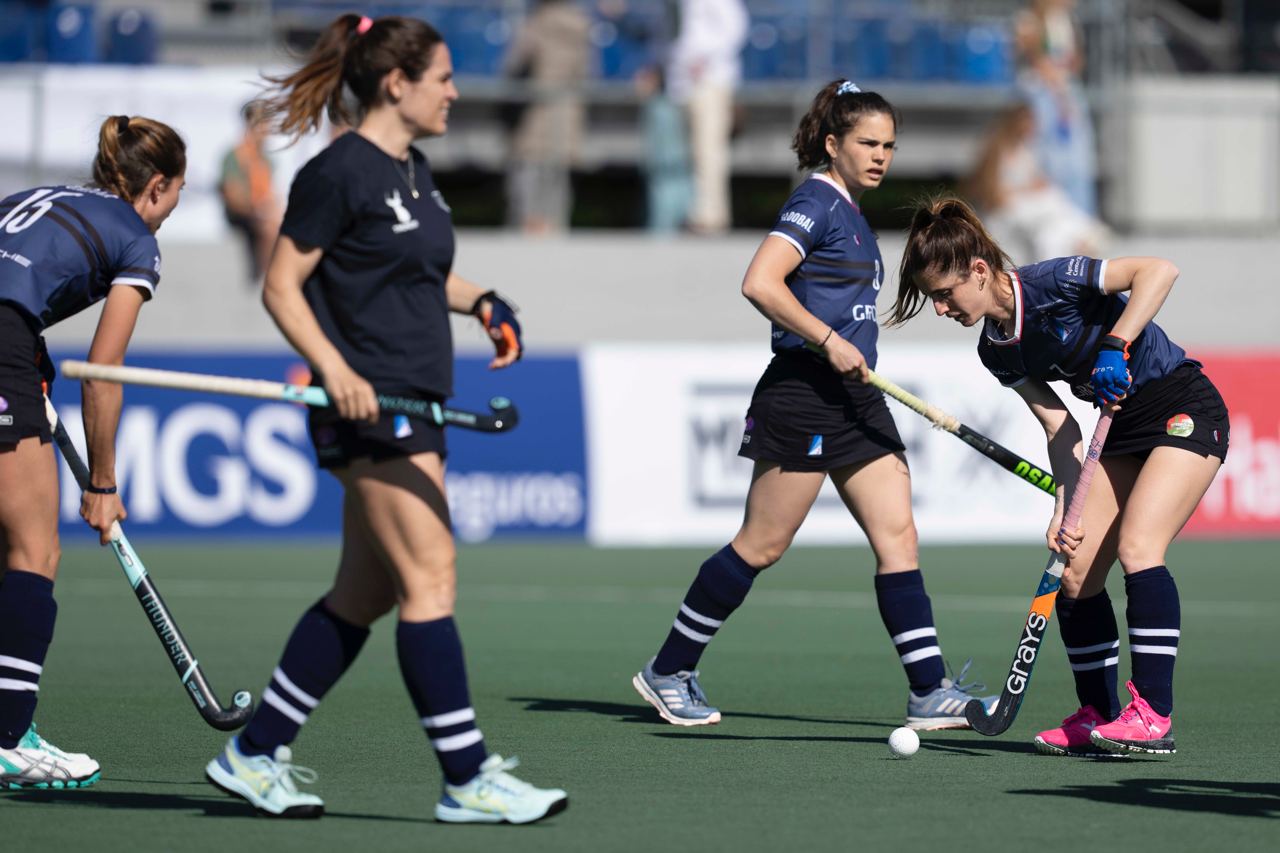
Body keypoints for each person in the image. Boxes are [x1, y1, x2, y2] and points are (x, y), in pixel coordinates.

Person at [201, 14, 567, 824]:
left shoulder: (413, 168)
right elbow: (282, 286)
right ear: (396, 83)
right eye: (442, 77)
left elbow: (419, 269)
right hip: (369, 409)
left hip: (416, 404)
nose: (455, 91)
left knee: (361, 593)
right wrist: (334, 369)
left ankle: (252, 752)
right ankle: (467, 779)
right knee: (431, 577)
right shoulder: (338, 173)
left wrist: (483, 300)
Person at [631, 81, 996, 731]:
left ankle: (928, 689)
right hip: (803, 391)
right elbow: (759, 281)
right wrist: (827, 339)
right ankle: (668, 668)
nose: (881, 155)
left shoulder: (854, 213)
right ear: (833, 144)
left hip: (857, 397)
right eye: (867, 143)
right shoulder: (817, 202)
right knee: (763, 543)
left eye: (889, 145)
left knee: (898, 535)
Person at [889, 196, 1229, 757]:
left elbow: (1158, 271)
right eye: (934, 300)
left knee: (1140, 546)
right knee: (1074, 572)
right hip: (1115, 429)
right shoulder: (997, 351)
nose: (941, 309)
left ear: (978, 270)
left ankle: (1153, 717)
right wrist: (1063, 508)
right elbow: (1058, 428)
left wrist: (1117, 344)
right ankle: (1099, 714)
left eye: (944, 295)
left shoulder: (1057, 280)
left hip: (1180, 405)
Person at [0, 114, 186, 787]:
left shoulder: (34, 197)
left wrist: (33, 355)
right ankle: (9, 737)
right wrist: (102, 483)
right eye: (176, 196)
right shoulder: (136, 237)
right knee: (32, 549)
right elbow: (103, 371)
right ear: (157, 187)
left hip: (11, 337)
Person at [963, 102, 1108, 263]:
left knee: (1052, 217)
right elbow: (991, 190)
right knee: (1053, 199)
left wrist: (1036, 185)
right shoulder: (998, 150)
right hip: (1004, 209)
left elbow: (1032, 180)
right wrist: (1025, 189)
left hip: (1023, 203)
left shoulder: (1024, 149)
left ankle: (1082, 235)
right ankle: (1086, 232)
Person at [502, 0, 590, 235]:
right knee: (558, 181)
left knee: (527, 176)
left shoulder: (536, 23)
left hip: (535, 111)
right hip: (568, 112)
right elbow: (587, 73)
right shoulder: (582, 25)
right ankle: (555, 229)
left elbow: (515, 65)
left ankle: (527, 228)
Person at [667, 0, 749, 234]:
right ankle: (697, 210)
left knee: (709, 149)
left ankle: (711, 215)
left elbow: (736, 26)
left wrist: (704, 58)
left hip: (711, 79)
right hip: (684, 82)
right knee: (694, 151)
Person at [1015, 0, 1098, 215]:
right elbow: (1035, 60)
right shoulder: (1029, 21)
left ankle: (1078, 216)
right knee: (1049, 156)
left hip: (1064, 91)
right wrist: (1057, 89)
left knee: (1076, 159)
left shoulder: (1067, 21)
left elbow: (1074, 60)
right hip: (1044, 94)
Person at [218, 100, 282, 285]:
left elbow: (270, 193)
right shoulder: (234, 156)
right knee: (270, 227)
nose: (265, 129)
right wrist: (258, 211)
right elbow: (232, 196)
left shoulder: (266, 159)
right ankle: (267, 278)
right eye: (261, 123)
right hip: (242, 213)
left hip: (260, 211)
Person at [635, 63, 692, 233]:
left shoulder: (659, 108)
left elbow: (663, 140)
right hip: (673, 161)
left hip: (667, 163)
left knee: (665, 201)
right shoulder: (664, 105)